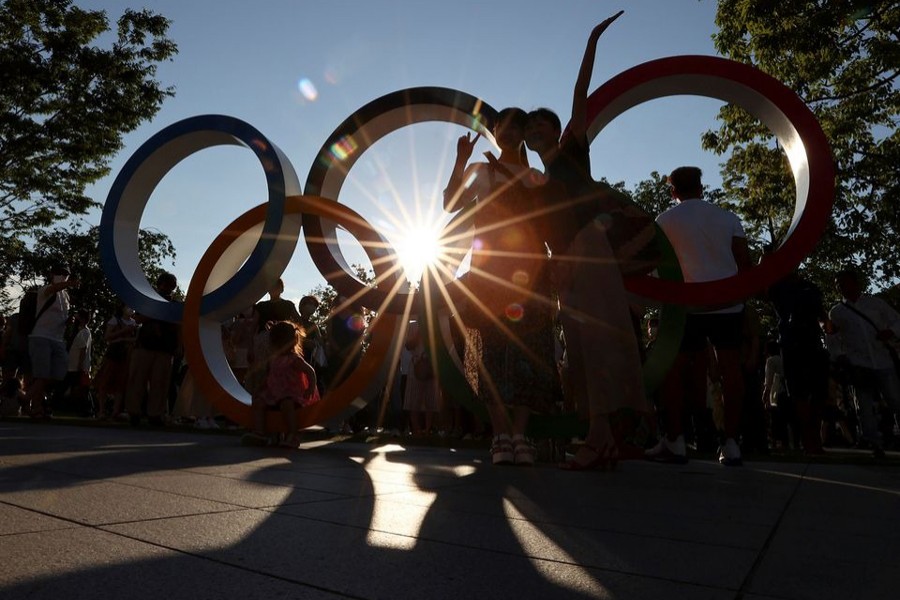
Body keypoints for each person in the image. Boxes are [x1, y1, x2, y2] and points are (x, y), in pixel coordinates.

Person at [524, 11, 649, 470]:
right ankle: (604, 436)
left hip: (589, 251)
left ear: (555, 130)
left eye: (542, 126)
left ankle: (601, 438)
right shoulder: (538, 180)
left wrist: (592, 39)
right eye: (530, 128)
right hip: (567, 259)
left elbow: (580, 95)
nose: (536, 132)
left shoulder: (573, 150)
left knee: (597, 341)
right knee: (577, 344)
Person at [443, 107, 561, 465]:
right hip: (491, 269)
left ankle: (520, 435)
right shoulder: (483, 169)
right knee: (492, 350)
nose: (508, 131)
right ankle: (500, 436)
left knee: (530, 350)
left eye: (516, 126)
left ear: (524, 133)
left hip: (532, 270)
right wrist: (460, 159)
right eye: (502, 125)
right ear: (494, 130)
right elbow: (450, 203)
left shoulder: (535, 175)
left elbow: (548, 226)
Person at [647, 166, 752, 466]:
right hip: (726, 304)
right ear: (702, 187)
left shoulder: (664, 221)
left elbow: (658, 265)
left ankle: (676, 440)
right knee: (730, 370)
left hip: (685, 305)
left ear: (673, 191)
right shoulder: (727, 217)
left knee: (672, 370)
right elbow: (743, 261)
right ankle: (731, 442)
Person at [826, 269, 900, 457]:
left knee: (895, 400)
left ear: (855, 282)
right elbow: (833, 339)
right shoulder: (837, 312)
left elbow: (896, 320)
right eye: (838, 284)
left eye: (844, 282)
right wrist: (840, 357)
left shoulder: (876, 304)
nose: (841, 287)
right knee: (864, 406)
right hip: (859, 362)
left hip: (882, 359)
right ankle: (874, 443)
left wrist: (890, 332)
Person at [767, 270, 830, 454]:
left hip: (813, 342)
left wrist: (825, 324)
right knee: (798, 391)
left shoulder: (810, 287)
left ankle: (814, 434)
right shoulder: (777, 287)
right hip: (791, 343)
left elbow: (820, 313)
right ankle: (807, 436)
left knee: (819, 391)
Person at [242, 321, 319, 448]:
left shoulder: (294, 359)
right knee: (259, 402)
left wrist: (311, 387)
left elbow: (310, 371)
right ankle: (260, 432)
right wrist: (260, 388)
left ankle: (292, 434)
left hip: (292, 395)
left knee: (286, 404)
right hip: (274, 394)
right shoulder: (274, 359)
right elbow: (269, 377)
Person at [24, 264, 80, 418]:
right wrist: (68, 283)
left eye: (66, 274)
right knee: (42, 375)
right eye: (60, 273)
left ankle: (26, 398)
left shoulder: (66, 297)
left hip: (57, 339)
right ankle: (36, 407)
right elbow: (52, 290)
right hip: (40, 336)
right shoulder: (45, 290)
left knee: (59, 373)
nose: (63, 276)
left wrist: (69, 321)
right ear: (52, 274)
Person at [126, 272, 180, 427]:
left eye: (171, 286)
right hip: (145, 344)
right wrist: (157, 312)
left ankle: (155, 414)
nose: (168, 289)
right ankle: (134, 412)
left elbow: (178, 326)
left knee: (160, 383)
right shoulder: (148, 299)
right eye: (166, 285)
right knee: (137, 380)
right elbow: (137, 319)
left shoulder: (174, 304)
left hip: (164, 347)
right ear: (159, 285)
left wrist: (178, 346)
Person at [92, 304, 138, 419]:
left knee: (121, 384)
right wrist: (122, 333)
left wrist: (125, 338)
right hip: (113, 353)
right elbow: (107, 336)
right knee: (105, 381)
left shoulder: (134, 323)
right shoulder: (115, 320)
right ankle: (101, 411)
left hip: (126, 354)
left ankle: (115, 411)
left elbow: (136, 339)